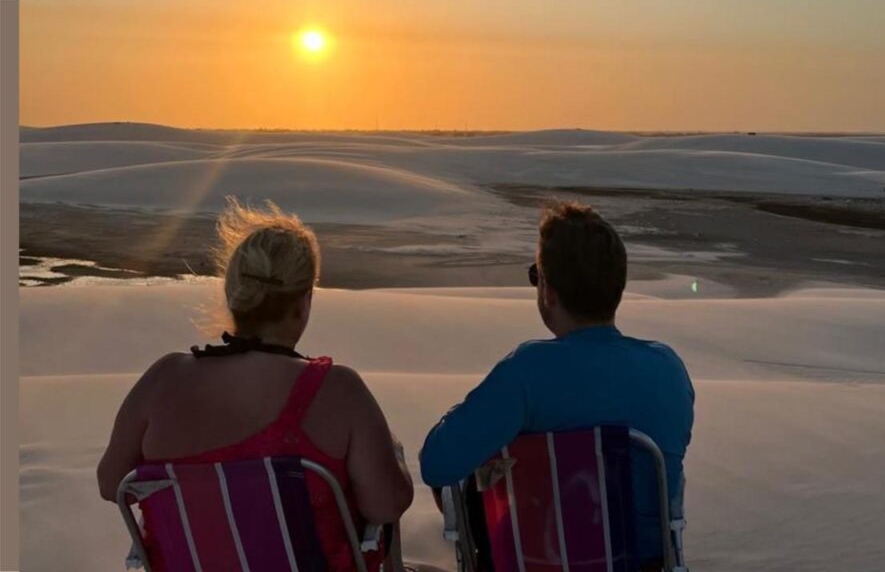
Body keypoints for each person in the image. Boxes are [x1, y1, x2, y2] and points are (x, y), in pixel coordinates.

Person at [97, 197, 413, 571]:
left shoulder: (162, 380)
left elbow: (111, 483)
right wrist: (395, 456)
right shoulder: (338, 391)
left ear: (233, 294)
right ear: (303, 303)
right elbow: (387, 505)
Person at [420, 201, 695, 567]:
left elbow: (436, 464)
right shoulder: (667, 370)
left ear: (548, 291)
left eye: (537, 275)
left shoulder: (527, 371)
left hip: (540, 561)